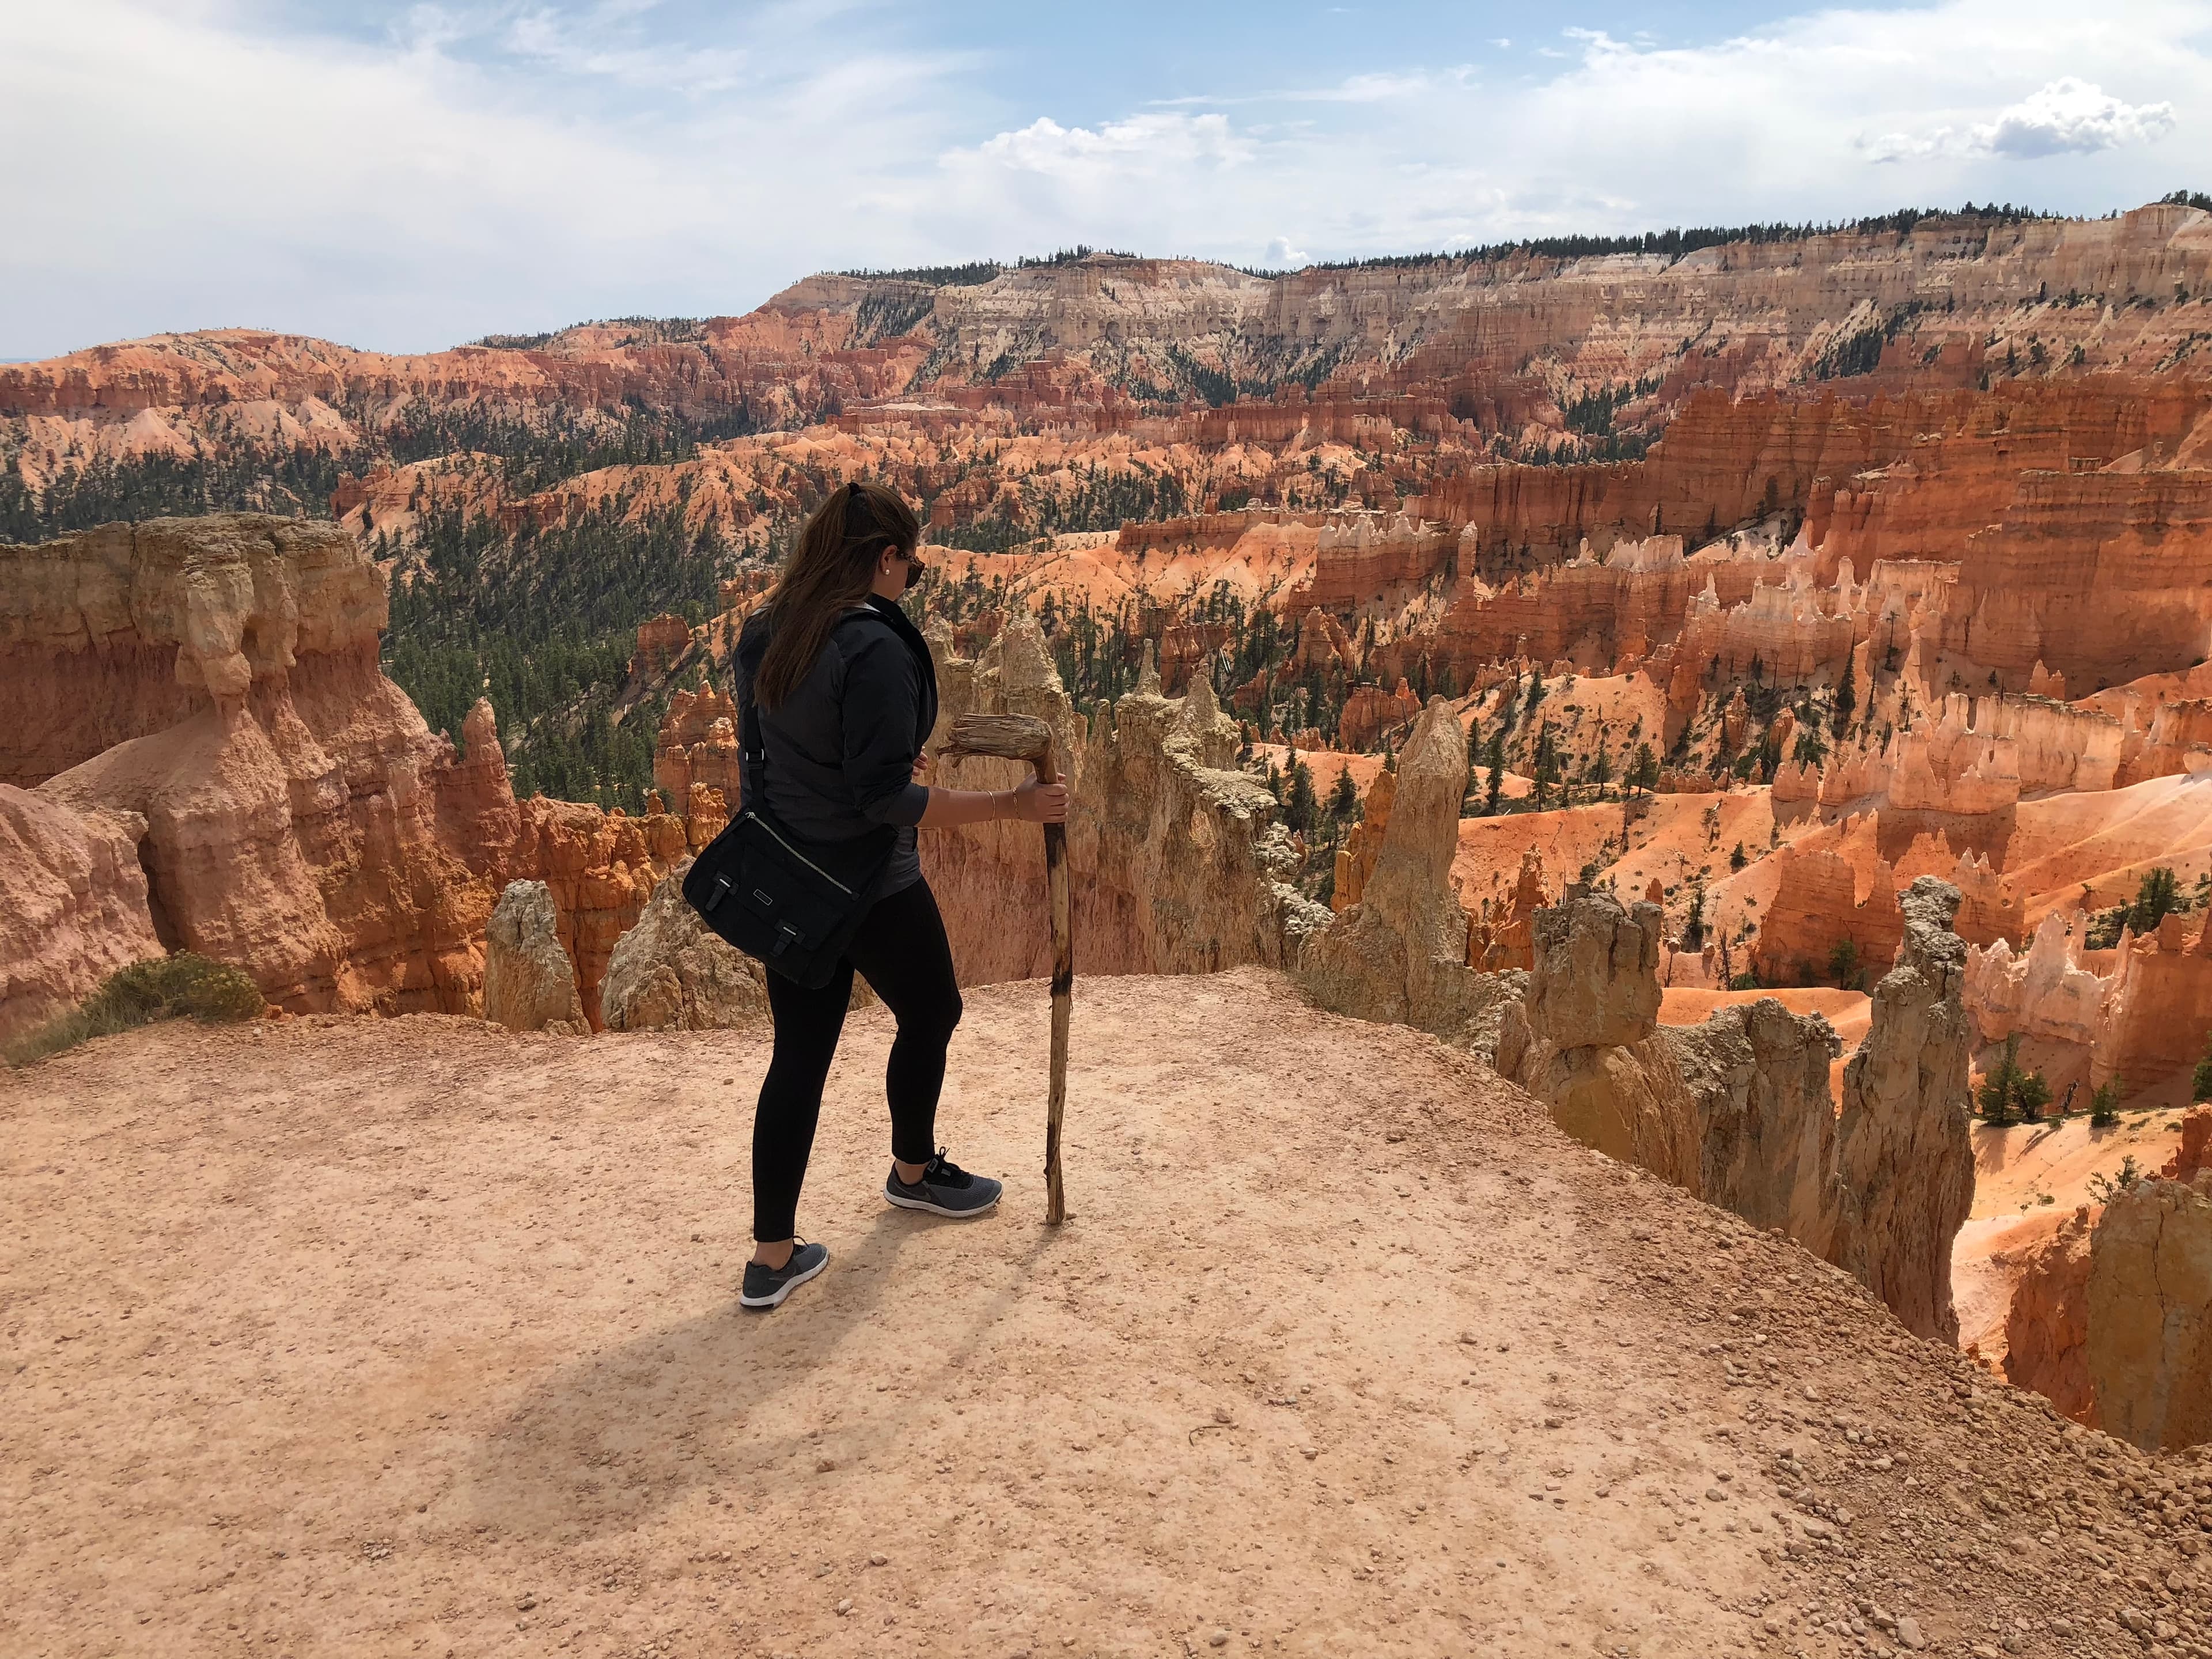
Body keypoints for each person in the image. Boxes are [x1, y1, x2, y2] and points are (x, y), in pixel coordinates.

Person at [733, 480, 1067, 1309]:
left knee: (798, 1061)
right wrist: (1011, 806)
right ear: (885, 560)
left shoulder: (767, 632)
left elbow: (770, 760)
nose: (906, 584)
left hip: (792, 884)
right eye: (908, 570)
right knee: (934, 1012)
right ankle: (913, 1173)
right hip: (873, 882)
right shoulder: (872, 646)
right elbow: (885, 798)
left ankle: (771, 1260)